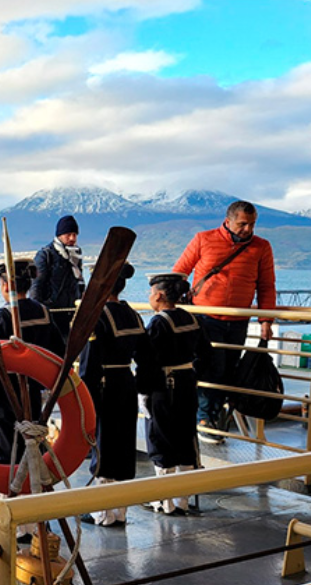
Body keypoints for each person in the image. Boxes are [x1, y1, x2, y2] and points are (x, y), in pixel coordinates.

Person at [172, 200, 276, 443]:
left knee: (229, 370)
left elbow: (266, 285)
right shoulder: (203, 239)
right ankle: (204, 419)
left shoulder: (262, 247)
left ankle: (214, 417)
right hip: (206, 318)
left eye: (252, 224)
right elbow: (179, 272)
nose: (248, 230)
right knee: (211, 368)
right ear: (228, 221)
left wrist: (266, 320)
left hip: (238, 320)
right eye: (242, 224)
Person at [77, 262, 148, 527]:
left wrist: (84, 401)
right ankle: (120, 511)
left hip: (105, 386)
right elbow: (146, 355)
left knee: (104, 446)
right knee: (123, 445)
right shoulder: (132, 314)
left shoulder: (98, 316)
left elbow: (89, 363)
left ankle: (102, 513)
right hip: (126, 382)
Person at [137, 273, 212, 516]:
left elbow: (148, 360)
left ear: (159, 295)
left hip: (164, 385)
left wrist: (143, 390)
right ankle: (182, 500)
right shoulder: (192, 318)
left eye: (151, 294)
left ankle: (164, 502)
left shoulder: (159, 323)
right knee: (184, 438)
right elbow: (205, 352)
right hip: (187, 382)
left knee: (160, 438)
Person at [0, 258, 65, 467]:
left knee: (8, 458)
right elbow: (58, 354)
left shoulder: (1, 318)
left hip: (4, 399)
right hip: (35, 395)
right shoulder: (44, 313)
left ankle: (13, 496)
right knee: (32, 451)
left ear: (6, 285)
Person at [29, 215, 85, 339]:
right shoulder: (46, 255)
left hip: (72, 312)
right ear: (60, 235)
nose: (72, 238)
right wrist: (37, 314)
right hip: (51, 313)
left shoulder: (76, 255)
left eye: (75, 234)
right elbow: (36, 285)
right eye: (68, 234)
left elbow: (79, 281)